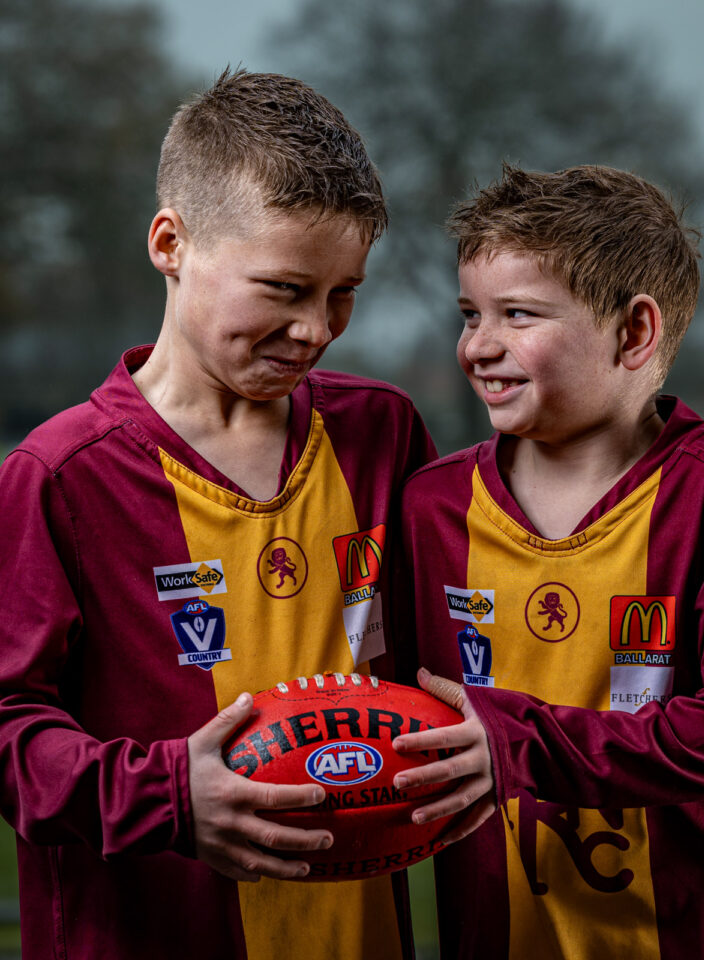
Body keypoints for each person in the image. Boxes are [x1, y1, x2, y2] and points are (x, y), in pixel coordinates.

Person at [0, 70, 435, 960]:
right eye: (282, 288)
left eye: (342, 292)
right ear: (171, 242)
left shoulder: (382, 433)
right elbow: (9, 727)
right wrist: (172, 795)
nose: (316, 328)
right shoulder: (57, 475)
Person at [390, 164, 704, 958]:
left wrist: (516, 745)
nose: (479, 346)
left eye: (518, 314)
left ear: (634, 333)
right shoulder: (429, 508)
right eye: (470, 314)